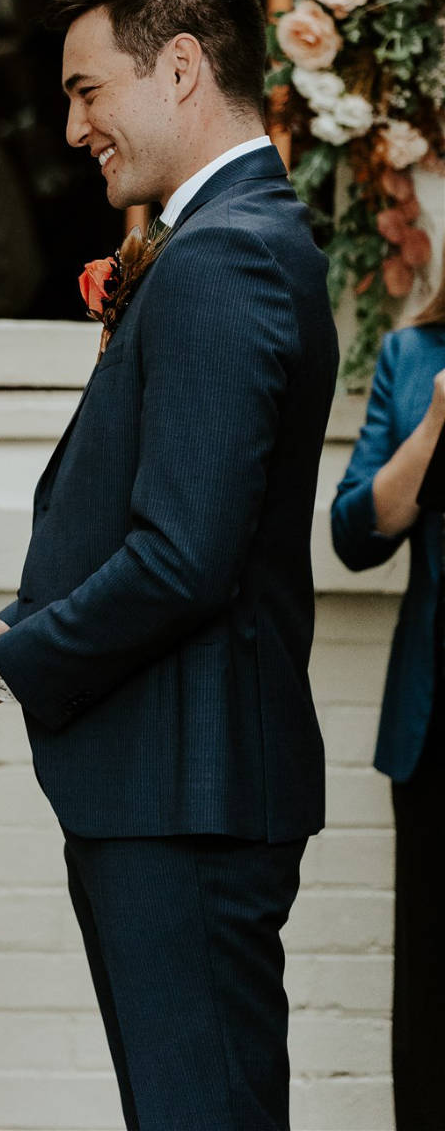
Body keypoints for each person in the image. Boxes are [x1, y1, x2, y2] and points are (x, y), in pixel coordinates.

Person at [0, 0, 338, 1131]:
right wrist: (17, 619)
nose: (76, 125)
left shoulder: (223, 258)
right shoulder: (234, 240)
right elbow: (183, 527)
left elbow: (185, 558)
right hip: (176, 784)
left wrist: (7, 662)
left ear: (181, 66)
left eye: (89, 89)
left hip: (183, 792)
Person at [332, 298, 445, 1130]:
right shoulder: (413, 357)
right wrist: (438, 419)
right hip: (433, 729)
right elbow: (354, 533)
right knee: (432, 999)